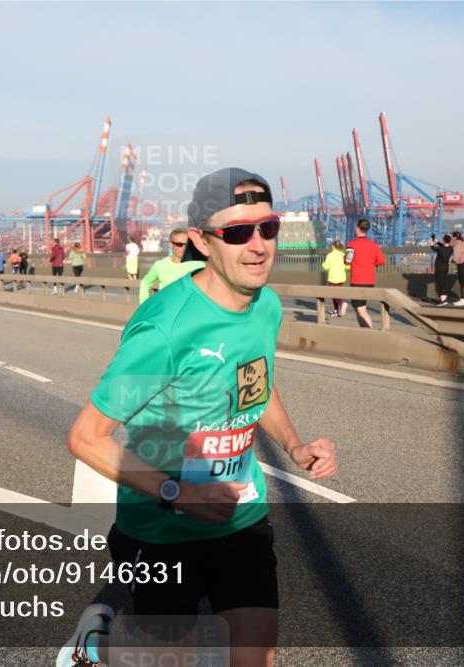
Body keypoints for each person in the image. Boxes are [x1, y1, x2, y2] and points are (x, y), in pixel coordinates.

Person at [59, 168, 337, 667]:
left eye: (266, 228)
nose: (257, 246)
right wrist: (180, 493)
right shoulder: (165, 330)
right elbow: (86, 438)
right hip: (160, 533)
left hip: (241, 518)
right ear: (202, 243)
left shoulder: (265, 305)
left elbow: (255, 382)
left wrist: (294, 446)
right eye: (236, 233)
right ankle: (95, 647)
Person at [138, 228, 205, 303]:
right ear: (170, 245)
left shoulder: (199, 265)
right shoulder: (160, 265)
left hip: (189, 311)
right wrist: (143, 307)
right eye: (179, 244)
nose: (183, 248)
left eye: (186, 245)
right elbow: (145, 283)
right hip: (166, 311)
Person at [345, 219, 386, 328]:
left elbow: (347, 261)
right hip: (370, 281)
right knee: (360, 308)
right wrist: (371, 263)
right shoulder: (373, 245)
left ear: (357, 228)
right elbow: (382, 261)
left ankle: (370, 333)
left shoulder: (351, 244)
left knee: (361, 310)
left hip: (357, 281)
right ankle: (364, 331)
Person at [321, 239, 349, 317]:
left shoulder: (330, 255)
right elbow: (347, 266)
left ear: (333, 246)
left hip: (333, 278)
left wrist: (323, 264)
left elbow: (326, 266)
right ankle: (336, 311)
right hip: (341, 278)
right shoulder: (343, 255)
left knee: (334, 295)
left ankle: (342, 304)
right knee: (337, 294)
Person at [429, 234, 454, 306]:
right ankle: (444, 298)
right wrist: (435, 240)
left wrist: (432, 240)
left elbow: (432, 247)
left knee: (440, 284)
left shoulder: (440, 249)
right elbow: (442, 245)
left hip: (439, 267)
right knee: (444, 283)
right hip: (446, 267)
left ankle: (443, 300)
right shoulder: (450, 248)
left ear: (444, 240)